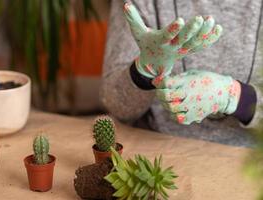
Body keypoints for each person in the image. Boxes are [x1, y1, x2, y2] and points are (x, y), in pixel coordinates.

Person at [100, 0, 263, 147]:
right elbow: (117, 105)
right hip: (156, 152)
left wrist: (238, 97)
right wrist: (143, 72)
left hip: (246, 162)